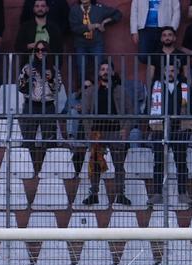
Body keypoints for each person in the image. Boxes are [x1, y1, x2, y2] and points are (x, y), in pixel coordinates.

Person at [80, 60, 132, 207]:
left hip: (116, 132)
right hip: (97, 133)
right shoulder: (91, 91)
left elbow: (131, 112)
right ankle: (94, 194)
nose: (105, 72)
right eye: (102, 69)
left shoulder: (121, 90)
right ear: (99, 73)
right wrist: (89, 132)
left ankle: (120, 194)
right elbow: (85, 113)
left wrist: (125, 129)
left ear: (113, 73)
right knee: (95, 164)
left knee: (119, 165)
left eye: (108, 69)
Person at [149, 62, 192, 205]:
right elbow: (150, 107)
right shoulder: (155, 86)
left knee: (181, 162)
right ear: (163, 72)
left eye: (173, 70)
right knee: (158, 162)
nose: (170, 73)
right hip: (159, 128)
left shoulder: (185, 87)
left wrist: (189, 128)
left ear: (178, 72)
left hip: (180, 129)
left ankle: (182, 193)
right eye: (167, 70)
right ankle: (157, 194)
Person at [17, 41, 62, 175]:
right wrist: (26, 76)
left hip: (48, 105)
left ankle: (50, 171)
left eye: (43, 50)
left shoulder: (54, 69)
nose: (40, 53)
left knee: (49, 139)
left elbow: (57, 89)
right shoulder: (27, 68)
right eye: (37, 50)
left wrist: (51, 78)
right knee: (28, 139)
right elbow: (20, 87)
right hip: (31, 105)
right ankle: (27, 170)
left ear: (48, 52)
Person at [69, 0, 123, 87]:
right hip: (80, 44)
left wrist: (105, 22)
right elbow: (74, 28)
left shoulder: (99, 8)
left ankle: (100, 90)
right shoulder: (74, 10)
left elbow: (118, 14)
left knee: (100, 68)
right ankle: (83, 92)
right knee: (81, 68)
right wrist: (93, 26)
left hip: (96, 43)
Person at [130, 0, 181, 65]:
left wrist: (172, 29)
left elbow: (176, 10)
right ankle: (155, 69)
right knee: (143, 56)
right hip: (145, 29)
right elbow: (134, 11)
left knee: (163, 55)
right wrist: (134, 31)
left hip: (164, 29)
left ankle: (158, 73)